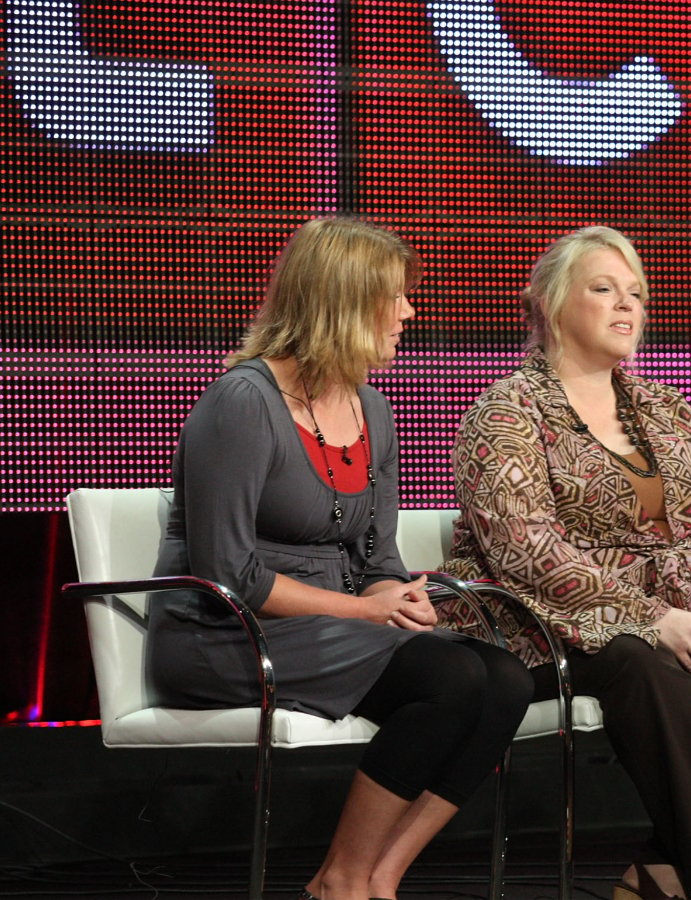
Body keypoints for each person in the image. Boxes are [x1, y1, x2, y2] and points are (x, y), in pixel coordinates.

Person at [150, 217, 532, 900]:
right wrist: (364, 608)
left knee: (503, 677)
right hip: (226, 633)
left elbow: (379, 555)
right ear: (343, 302)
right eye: (395, 297)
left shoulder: (373, 410)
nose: (409, 313)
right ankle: (343, 880)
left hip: (333, 627)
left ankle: (379, 877)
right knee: (451, 680)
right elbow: (226, 574)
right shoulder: (242, 403)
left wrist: (401, 594)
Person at [440, 226, 691, 900]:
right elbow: (527, 550)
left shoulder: (664, 408)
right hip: (554, 620)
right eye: (604, 289)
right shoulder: (506, 412)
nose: (627, 307)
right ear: (551, 305)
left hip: (686, 617)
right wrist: (649, 616)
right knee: (647, 663)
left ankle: (661, 870)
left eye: (636, 294)